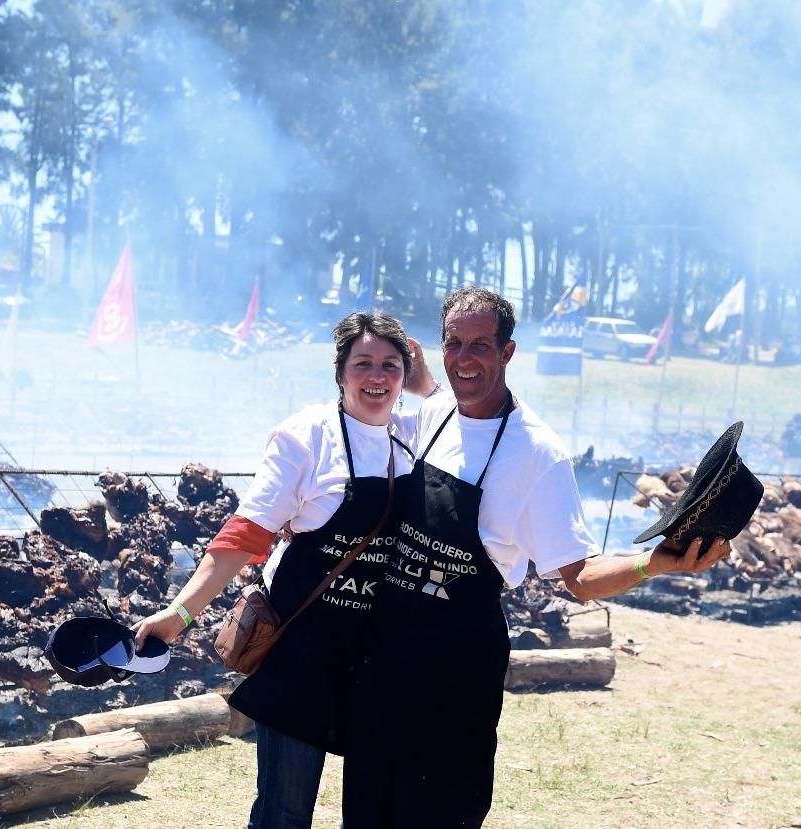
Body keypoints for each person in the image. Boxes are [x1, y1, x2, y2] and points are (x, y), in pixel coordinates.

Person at [342, 288, 731, 828]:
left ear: (508, 352)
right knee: (366, 813)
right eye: (454, 343)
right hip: (386, 660)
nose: (464, 357)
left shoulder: (538, 453)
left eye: (481, 344)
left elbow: (579, 577)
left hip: (456, 672)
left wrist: (655, 564)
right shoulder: (433, 411)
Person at [132, 311, 435, 829]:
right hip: (302, 646)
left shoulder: (419, 433)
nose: (378, 378)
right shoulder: (306, 436)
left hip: (378, 654)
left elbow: (473, 417)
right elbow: (245, 533)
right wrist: (179, 614)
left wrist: (425, 375)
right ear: (340, 373)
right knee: (285, 812)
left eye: (391, 366)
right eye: (363, 364)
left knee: (375, 810)